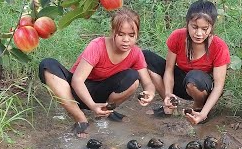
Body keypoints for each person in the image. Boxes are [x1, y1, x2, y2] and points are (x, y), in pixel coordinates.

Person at [38, 8, 155, 138]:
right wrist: (92, 106)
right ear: (113, 32)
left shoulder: (136, 53)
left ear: (137, 35)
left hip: (102, 93)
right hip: (77, 92)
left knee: (133, 77)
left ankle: (106, 111)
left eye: (131, 35)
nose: (126, 40)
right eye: (121, 34)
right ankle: (81, 119)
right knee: (47, 65)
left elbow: (148, 83)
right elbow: (77, 80)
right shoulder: (98, 45)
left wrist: (149, 93)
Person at [143, 0, 230, 125]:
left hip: (201, 86)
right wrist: (168, 94)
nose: (199, 33)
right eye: (194, 27)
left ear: (212, 27)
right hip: (181, 82)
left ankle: (199, 108)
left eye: (205, 28)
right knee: (145, 57)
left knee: (193, 77)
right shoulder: (177, 37)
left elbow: (218, 86)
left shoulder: (219, 47)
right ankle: (170, 105)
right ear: (187, 23)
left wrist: (203, 114)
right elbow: (169, 69)